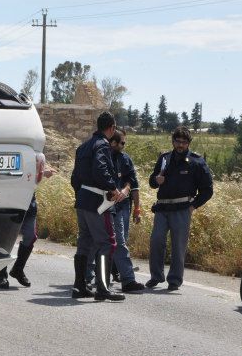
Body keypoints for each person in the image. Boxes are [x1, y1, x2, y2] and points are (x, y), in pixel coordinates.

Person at [146, 125, 213, 291]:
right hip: (162, 208)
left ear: (189, 143)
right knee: (156, 241)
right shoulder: (164, 158)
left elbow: (208, 189)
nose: (180, 145)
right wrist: (156, 180)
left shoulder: (196, 162)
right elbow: (152, 182)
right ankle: (156, 276)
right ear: (173, 141)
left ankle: (174, 280)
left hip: (182, 209)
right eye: (178, 141)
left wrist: (194, 206)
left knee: (178, 246)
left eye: (184, 142)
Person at [70, 111, 126, 302]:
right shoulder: (102, 145)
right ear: (112, 128)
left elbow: (75, 178)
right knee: (107, 243)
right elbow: (101, 169)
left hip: (83, 200)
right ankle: (103, 288)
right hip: (98, 202)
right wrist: (113, 188)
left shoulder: (83, 146)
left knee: (85, 242)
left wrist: (81, 195)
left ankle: (79, 286)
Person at [0, 161, 57, 289]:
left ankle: (18, 269)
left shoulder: (33, 151)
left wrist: (43, 171)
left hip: (29, 202)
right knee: (5, 238)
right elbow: (13, 175)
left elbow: (34, 169)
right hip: (10, 201)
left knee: (31, 236)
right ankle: (2, 275)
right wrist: (40, 173)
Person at [108, 129, 146, 292]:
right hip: (109, 205)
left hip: (124, 206)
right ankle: (127, 279)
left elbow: (134, 184)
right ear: (114, 142)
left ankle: (114, 271)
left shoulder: (126, 159)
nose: (124, 145)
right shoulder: (105, 157)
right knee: (118, 242)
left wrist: (137, 209)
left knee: (120, 240)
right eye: (122, 142)